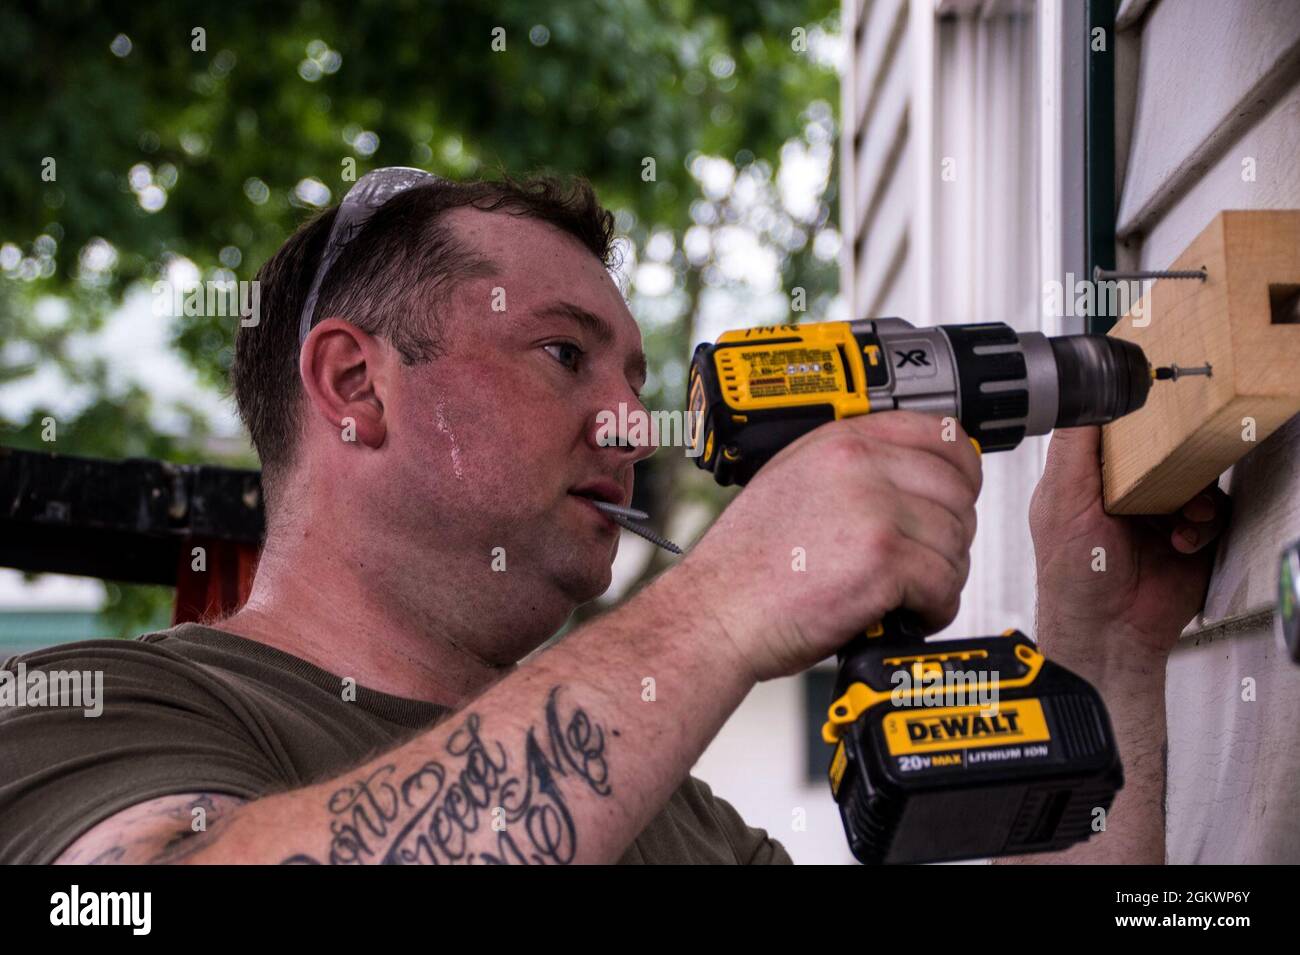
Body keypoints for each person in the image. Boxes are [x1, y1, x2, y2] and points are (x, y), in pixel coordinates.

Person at [0, 171, 1226, 864]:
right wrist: (726, 602)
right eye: (561, 355)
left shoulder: (677, 818)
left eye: (633, 380)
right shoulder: (88, 708)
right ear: (356, 386)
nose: (628, 427)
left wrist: (1103, 643)